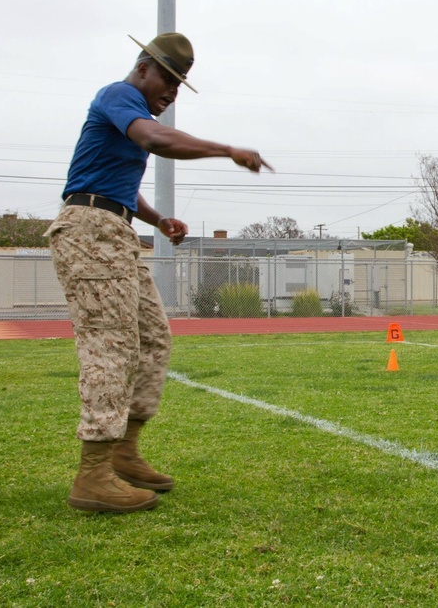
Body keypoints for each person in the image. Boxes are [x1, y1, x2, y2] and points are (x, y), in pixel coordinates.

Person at [46, 33, 273, 513]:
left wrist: (156, 220)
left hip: (116, 229)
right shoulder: (119, 96)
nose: (171, 92)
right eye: (168, 79)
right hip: (88, 230)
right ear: (143, 66)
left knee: (153, 337)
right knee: (111, 344)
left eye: (180, 84)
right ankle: (92, 475)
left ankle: (125, 452)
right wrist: (226, 149)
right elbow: (152, 141)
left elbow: (112, 183)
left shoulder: (135, 111)